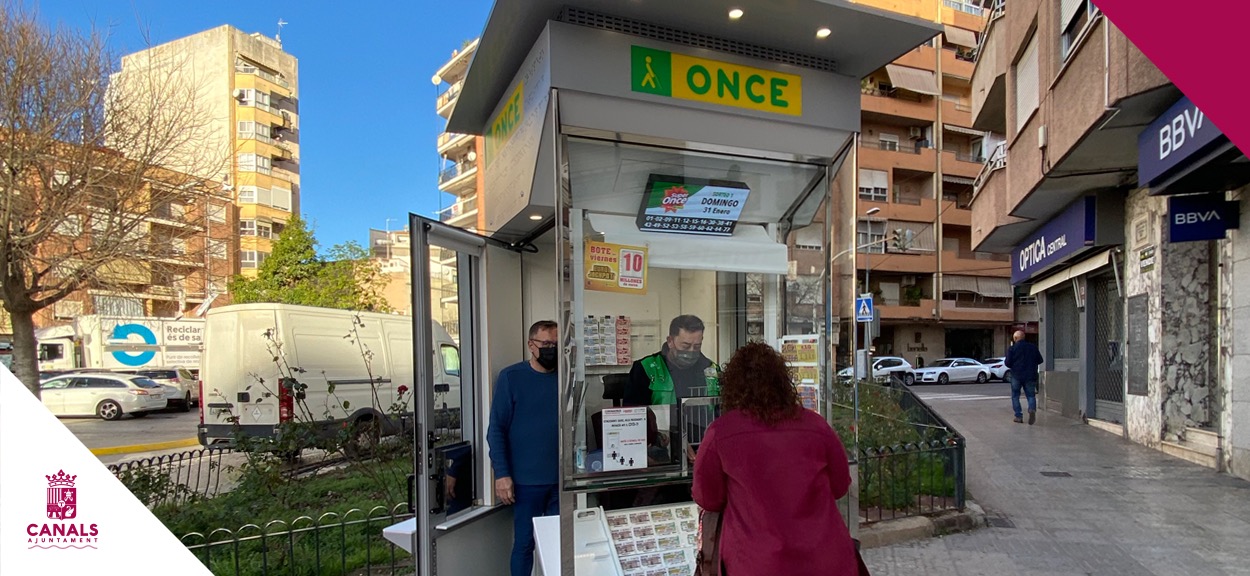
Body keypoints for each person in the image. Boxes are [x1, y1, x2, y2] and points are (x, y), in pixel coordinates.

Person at [692, 342, 857, 575]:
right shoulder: (816, 425)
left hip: (755, 561)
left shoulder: (721, 433)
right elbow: (840, 486)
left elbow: (707, 498)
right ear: (783, 383)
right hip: (826, 558)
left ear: (731, 387)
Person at [487, 320, 560, 576]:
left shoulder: (565, 378)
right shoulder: (511, 377)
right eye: (547, 344)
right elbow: (496, 429)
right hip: (526, 481)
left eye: (556, 344)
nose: (552, 349)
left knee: (559, 545)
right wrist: (502, 474)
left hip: (561, 480)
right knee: (524, 544)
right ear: (531, 345)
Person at [623, 315, 719, 462]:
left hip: (705, 452)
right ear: (670, 341)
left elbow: (720, 415)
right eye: (685, 346)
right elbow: (632, 418)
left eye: (697, 346)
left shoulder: (711, 370)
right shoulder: (646, 368)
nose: (691, 351)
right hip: (661, 453)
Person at [1004, 330, 1044, 425]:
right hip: (1030, 375)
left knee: (1015, 396)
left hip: (1016, 375)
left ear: (1015, 338)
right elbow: (1040, 360)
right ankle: (1032, 409)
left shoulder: (1012, 348)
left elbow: (1007, 363)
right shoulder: (1033, 347)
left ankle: (1018, 416)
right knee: (1031, 395)